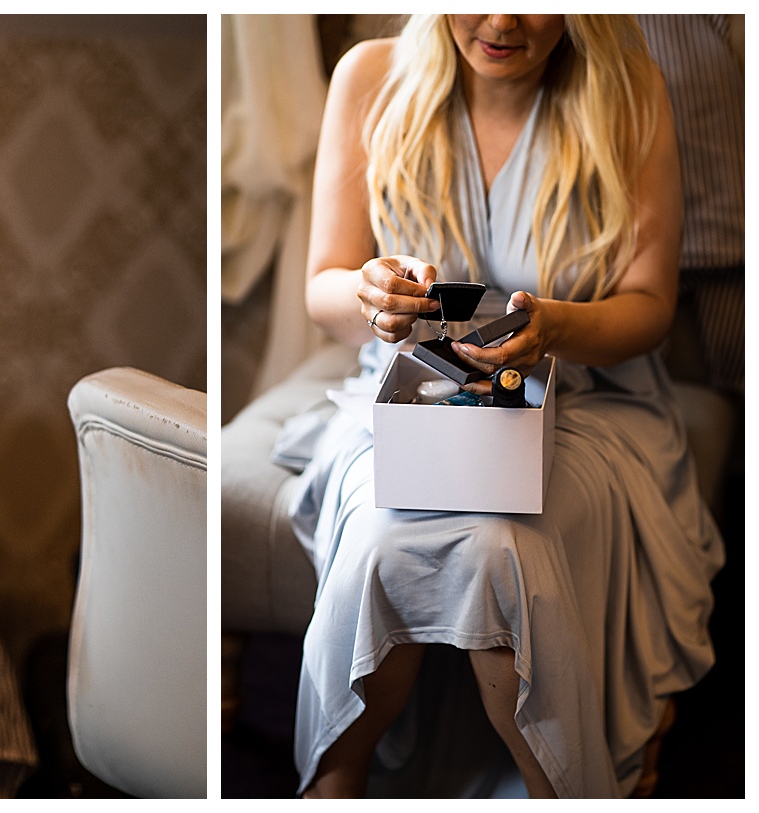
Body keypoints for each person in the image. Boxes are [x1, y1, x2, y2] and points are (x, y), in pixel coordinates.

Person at [287, 14, 722, 797]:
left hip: (587, 400)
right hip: (409, 397)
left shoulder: (628, 94)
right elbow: (323, 284)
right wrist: (370, 294)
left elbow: (651, 307)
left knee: (499, 549)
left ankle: (556, 787)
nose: (500, 21)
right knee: (386, 539)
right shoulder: (368, 79)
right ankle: (335, 781)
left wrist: (556, 325)